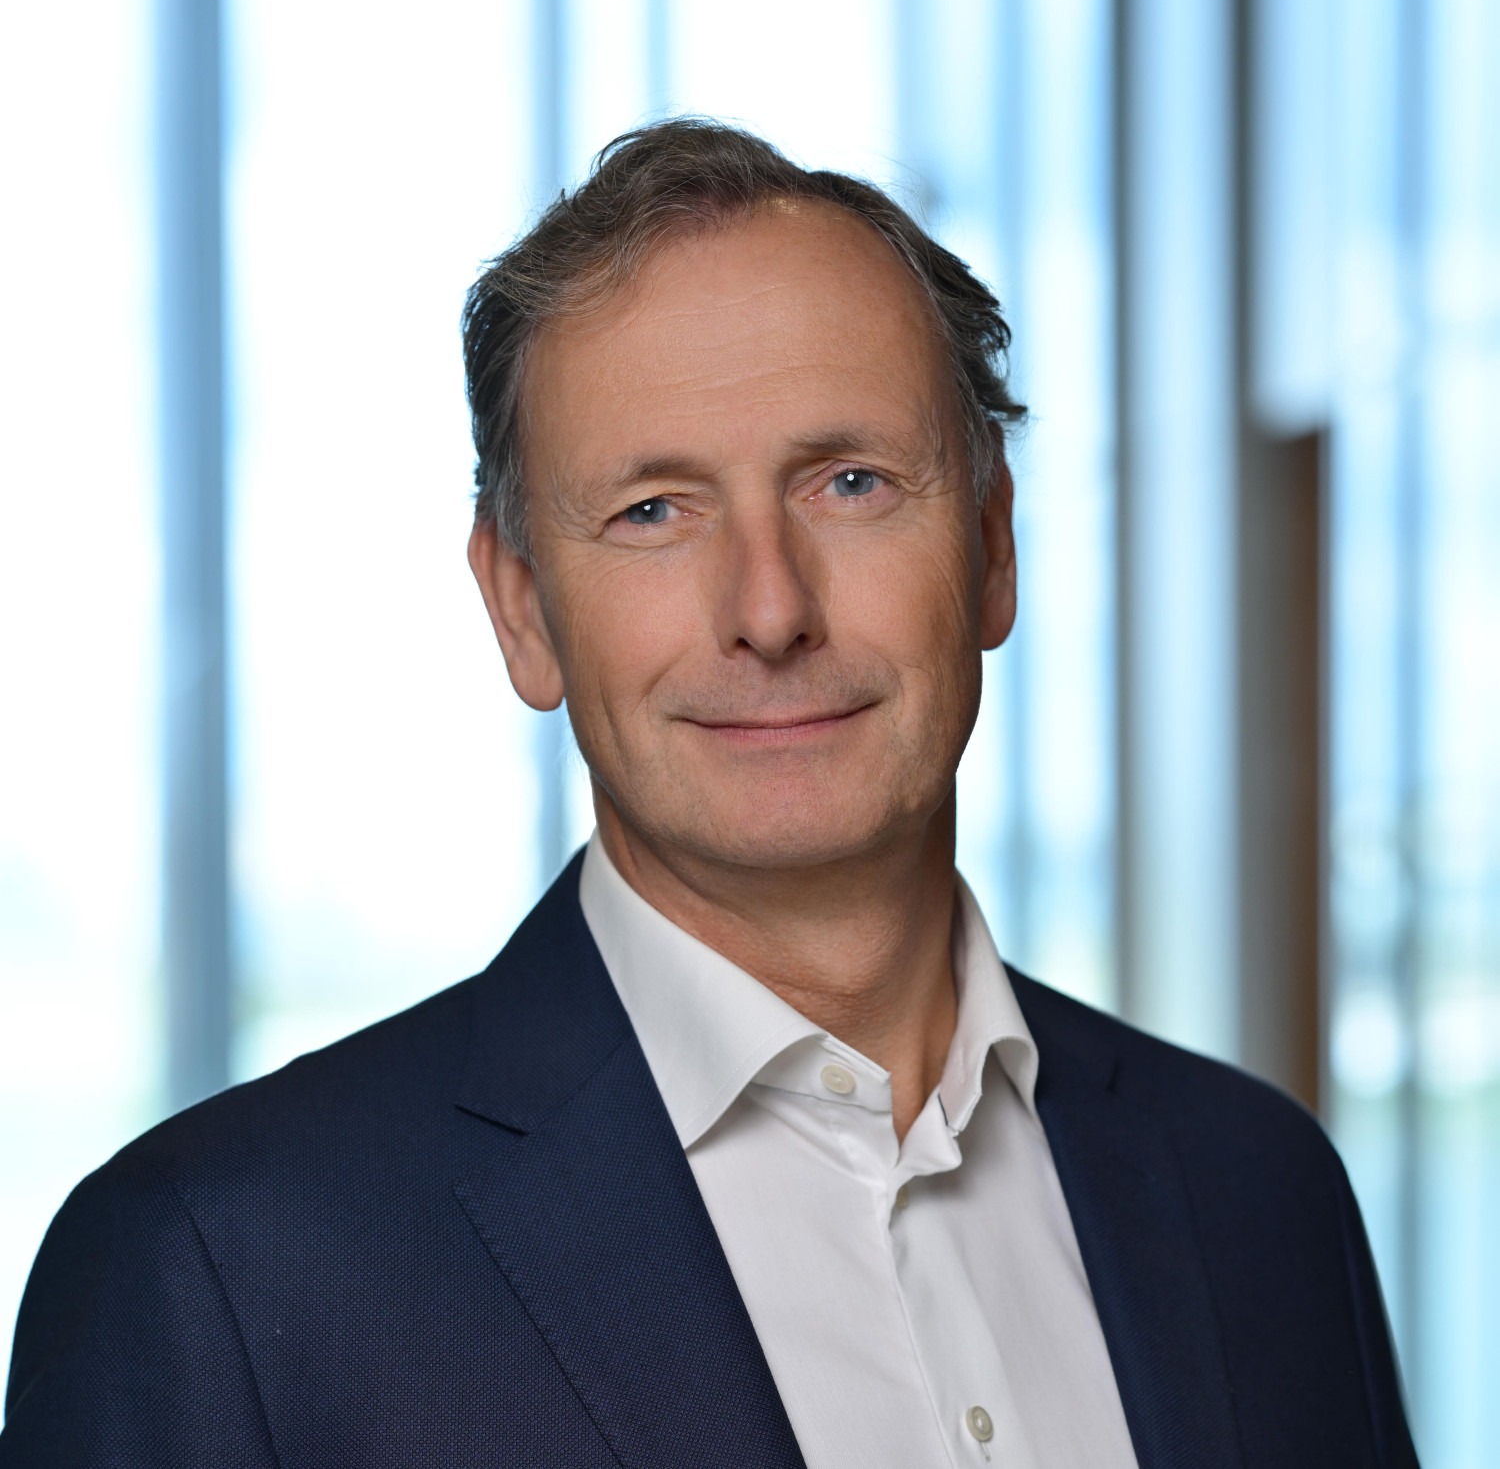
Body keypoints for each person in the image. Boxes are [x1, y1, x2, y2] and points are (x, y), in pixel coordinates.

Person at [1, 120, 1416, 1469]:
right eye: (653, 512)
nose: (769, 610)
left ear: (992, 548)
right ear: (522, 611)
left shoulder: (1260, 1193)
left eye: (850, 482)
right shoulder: (217, 1277)